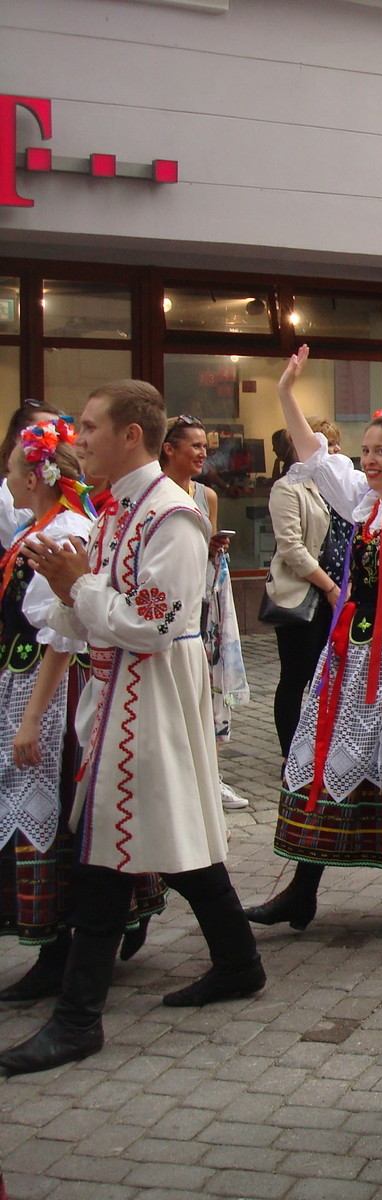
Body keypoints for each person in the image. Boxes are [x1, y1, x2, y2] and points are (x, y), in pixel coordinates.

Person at [1, 380, 265, 1076]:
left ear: (130, 435)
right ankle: (238, 960)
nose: (78, 440)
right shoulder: (115, 509)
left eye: (90, 427)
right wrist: (68, 593)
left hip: (150, 693)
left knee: (108, 847)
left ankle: (77, 1018)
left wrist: (77, 587)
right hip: (119, 691)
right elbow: (95, 608)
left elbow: (152, 623)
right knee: (163, 832)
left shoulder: (171, 515)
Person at [245, 346, 382, 930]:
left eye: (381, 451)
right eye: (365, 450)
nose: (368, 460)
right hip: (351, 658)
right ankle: (303, 889)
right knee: (325, 761)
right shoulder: (369, 506)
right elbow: (316, 457)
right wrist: (286, 393)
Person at [0, 417, 163, 1002]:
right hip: (28, 681)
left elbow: (62, 638)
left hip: (57, 692)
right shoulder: (40, 526)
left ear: (35, 477)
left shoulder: (67, 531)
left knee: (62, 812)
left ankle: (63, 949)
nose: (7, 480)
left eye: (12, 470)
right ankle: (91, 931)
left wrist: (31, 717)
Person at [162, 417, 250, 810]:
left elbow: (205, 546)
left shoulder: (206, 494)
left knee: (208, 690)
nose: (203, 453)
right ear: (169, 449)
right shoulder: (155, 493)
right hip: (168, 603)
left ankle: (211, 778)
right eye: (194, 446)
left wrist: (215, 546)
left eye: (205, 446)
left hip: (203, 601)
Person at [264, 422, 347, 759]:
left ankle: (321, 748)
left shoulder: (337, 487)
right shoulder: (288, 488)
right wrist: (329, 587)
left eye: (335, 444)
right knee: (296, 676)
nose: (332, 451)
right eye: (325, 444)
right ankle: (291, 754)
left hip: (338, 593)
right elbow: (292, 549)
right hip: (305, 593)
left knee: (329, 676)